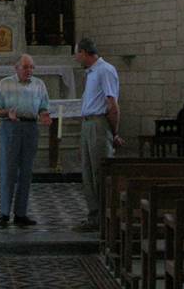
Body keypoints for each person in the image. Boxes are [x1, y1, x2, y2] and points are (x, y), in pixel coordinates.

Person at [0, 54, 52, 227]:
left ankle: (21, 213)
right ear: (16, 68)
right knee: (8, 170)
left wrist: (45, 115)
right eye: (25, 67)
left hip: (31, 127)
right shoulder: (5, 83)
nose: (29, 70)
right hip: (11, 127)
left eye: (32, 67)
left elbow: (44, 107)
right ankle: (4, 213)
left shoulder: (39, 84)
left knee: (26, 171)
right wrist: (7, 113)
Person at [73, 38, 125, 232]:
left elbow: (112, 104)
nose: (76, 57)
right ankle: (94, 216)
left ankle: (105, 218)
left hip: (98, 124)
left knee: (99, 173)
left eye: (77, 53)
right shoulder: (92, 72)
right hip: (89, 125)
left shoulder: (105, 70)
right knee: (88, 172)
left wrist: (114, 132)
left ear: (86, 52)